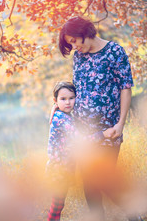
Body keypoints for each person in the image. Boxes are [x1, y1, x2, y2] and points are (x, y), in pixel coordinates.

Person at [58, 16, 145, 221]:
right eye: (70, 43)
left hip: (109, 131)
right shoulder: (78, 56)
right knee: (89, 186)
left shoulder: (115, 52)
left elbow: (125, 88)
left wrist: (121, 124)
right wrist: (60, 104)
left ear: (85, 33)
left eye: (74, 41)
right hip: (83, 132)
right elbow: (75, 88)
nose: (73, 47)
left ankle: (134, 214)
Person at [47, 81, 117, 221]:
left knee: (59, 204)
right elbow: (80, 140)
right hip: (59, 170)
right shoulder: (61, 119)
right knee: (57, 205)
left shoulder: (64, 115)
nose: (68, 102)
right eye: (63, 99)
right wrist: (103, 134)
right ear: (55, 101)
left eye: (71, 98)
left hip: (64, 168)